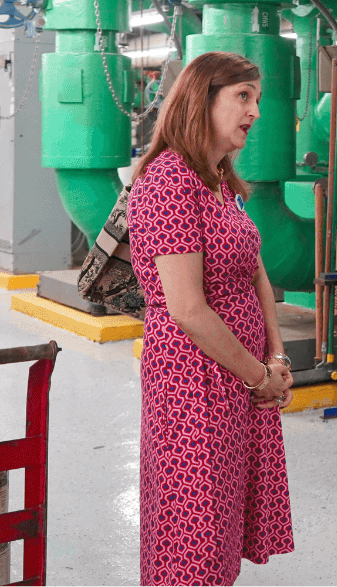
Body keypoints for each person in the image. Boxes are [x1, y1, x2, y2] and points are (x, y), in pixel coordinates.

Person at [128, 51, 296, 586]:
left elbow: (257, 275)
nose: (256, 111)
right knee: (192, 533)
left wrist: (277, 357)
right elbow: (188, 309)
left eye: (258, 99)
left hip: (238, 379)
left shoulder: (219, 180)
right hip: (193, 384)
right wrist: (259, 376)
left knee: (220, 531)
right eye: (243, 97)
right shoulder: (168, 181)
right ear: (204, 99)